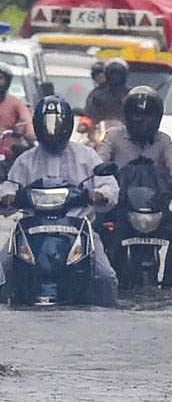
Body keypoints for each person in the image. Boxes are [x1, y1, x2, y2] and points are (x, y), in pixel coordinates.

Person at [0, 96, 119, 306]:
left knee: (105, 276)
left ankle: (110, 318)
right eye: (47, 124)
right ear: (37, 125)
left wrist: (99, 194)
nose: (52, 130)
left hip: (78, 230)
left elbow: (109, 185)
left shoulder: (86, 156)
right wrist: (8, 197)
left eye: (57, 124)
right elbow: (9, 186)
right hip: (30, 230)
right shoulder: (25, 160)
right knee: (3, 269)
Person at [96, 87, 172, 288]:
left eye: (147, 116)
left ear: (157, 117)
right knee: (100, 230)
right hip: (120, 209)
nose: (141, 121)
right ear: (127, 116)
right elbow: (98, 162)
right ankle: (107, 279)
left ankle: (170, 285)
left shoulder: (163, 140)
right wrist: (98, 181)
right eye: (136, 116)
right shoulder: (113, 136)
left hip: (156, 208)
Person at [83, 58, 130, 123]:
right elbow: (89, 115)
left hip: (127, 131)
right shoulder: (97, 95)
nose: (115, 77)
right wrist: (85, 124)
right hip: (101, 131)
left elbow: (139, 115)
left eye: (119, 74)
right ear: (107, 74)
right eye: (112, 73)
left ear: (124, 75)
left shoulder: (131, 95)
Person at [0, 65, 34, 141]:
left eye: (0, 78)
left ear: (7, 82)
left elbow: (27, 122)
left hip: (8, 148)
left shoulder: (16, 103)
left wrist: (27, 132)